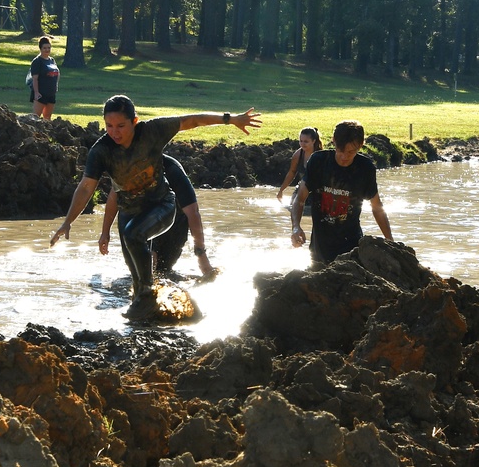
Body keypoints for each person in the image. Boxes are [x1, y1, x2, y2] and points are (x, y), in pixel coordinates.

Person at [51, 95, 261, 320]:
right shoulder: (101, 151)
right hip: (129, 213)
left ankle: (151, 296)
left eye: (121, 126)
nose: (115, 132)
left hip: (162, 205)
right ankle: (166, 316)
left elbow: (192, 120)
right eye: (109, 126)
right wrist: (68, 222)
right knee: (137, 282)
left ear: (134, 121)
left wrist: (231, 119)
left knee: (134, 238)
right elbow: (86, 188)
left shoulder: (153, 131)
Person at [290, 120, 393, 264]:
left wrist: (390, 242)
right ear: (334, 141)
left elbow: (377, 207)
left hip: (351, 249)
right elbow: (300, 198)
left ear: (361, 145)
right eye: (340, 150)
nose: (344, 157)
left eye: (351, 152)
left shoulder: (365, 168)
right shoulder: (318, 161)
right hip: (319, 248)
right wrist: (296, 227)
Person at [276, 127, 322, 214]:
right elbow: (292, 173)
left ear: (314, 141)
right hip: (301, 190)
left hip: (317, 192)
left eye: (306, 142)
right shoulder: (298, 155)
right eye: (301, 141)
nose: (302, 144)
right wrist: (281, 190)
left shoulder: (321, 156)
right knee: (293, 210)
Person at [29, 36, 59, 120]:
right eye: (44, 48)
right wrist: (36, 92)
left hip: (51, 93)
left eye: (49, 48)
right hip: (41, 93)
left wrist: (56, 86)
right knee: (36, 117)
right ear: (40, 48)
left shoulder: (52, 60)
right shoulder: (37, 61)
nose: (47, 50)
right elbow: (35, 78)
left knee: (47, 117)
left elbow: (57, 73)